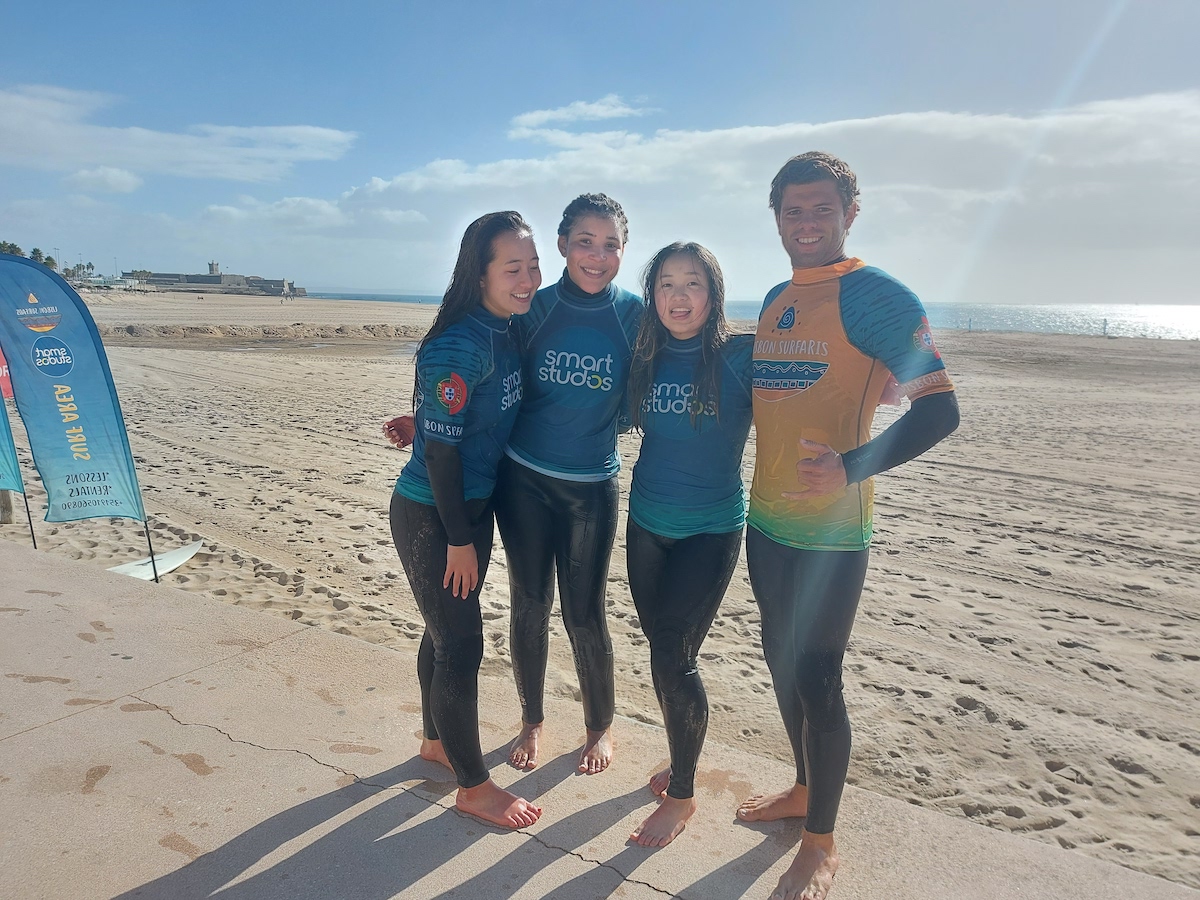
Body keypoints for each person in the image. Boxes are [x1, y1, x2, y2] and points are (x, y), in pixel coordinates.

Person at [738, 152, 960, 900]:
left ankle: (821, 842)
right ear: (776, 218)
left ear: (850, 215)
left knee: (818, 676)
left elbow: (941, 410)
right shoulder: (778, 298)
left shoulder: (879, 297)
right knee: (779, 660)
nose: (806, 223)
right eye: (793, 211)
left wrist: (852, 467)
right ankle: (804, 788)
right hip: (765, 519)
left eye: (821, 209)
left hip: (833, 531)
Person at [389, 210, 543, 829]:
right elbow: (443, 454)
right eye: (513, 269)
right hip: (435, 513)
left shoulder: (506, 328)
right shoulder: (460, 342)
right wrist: (458, 540)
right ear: (480, 275)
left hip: (470, 510)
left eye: (533, 266)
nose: (528, 279)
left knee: (441, 632)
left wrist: (419, 420)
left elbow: (457, 416)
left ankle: (435, 742)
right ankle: (474, 787)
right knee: (461, 643)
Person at [493, 193, 643, 774]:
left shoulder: (634, 315)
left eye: (610, 245)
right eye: (585, 241)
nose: (596, 256)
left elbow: (667, 373)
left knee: (585, 615)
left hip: (591, 487)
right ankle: (531, 720)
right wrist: (426, 418)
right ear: (561, 245)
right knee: (529, 605)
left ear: (623, 251)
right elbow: (489, 375)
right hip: (524, 480)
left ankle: (599, 727)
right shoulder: (534, 307)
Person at [623, 242, 753, 846]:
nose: (679, 296)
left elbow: (816, 371)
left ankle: (682, 792)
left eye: (693, 282)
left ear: (714, 293)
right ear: (653, 295)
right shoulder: (643, 357)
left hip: (710, 529)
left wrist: (881, 378)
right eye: (667, 283)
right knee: (663, 653)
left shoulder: (741, 356)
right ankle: (681, 753)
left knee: (676, 657)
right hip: (646, 523)